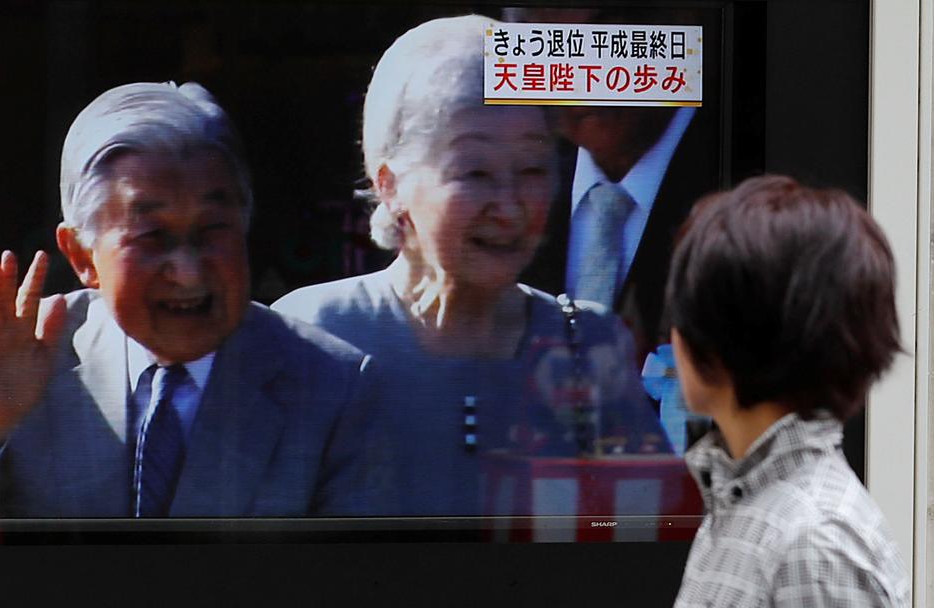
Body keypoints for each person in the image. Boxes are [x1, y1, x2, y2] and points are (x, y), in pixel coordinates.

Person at [0, 82, 379, 519]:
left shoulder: (330, 385)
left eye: (213, 230)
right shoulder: (31, 355)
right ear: (82, 256)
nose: (188, 272)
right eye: (152, 237)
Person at [274, 15, 670, 516]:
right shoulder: (313, 336)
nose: (509, 205)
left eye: (531, 170)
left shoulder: (588, 344)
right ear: (391, 184)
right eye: (475, 172)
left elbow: (651, 535)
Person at [628, 175, 909, 608]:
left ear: (724, 340)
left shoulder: (815, 541)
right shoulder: (742, 506)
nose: (670, 334)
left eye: (683, 313)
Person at [512, 9, 719, 363]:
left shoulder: (745, 174)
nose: (587, 72)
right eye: (554, 44)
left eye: (608, 35)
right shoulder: (508, 187)